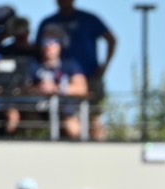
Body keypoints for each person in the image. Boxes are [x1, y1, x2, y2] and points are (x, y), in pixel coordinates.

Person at [36, 0, 114, 138]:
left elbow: (112, 40)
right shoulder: (48, 22)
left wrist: (104, 67)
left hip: (90, 77)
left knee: (94, 118)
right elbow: (36, 48)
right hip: (57, 78)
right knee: (66, 121)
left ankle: (100, 149)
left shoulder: (89, 19)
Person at [27, 32, 87, 140]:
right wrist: (39, 89)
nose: (49, 46)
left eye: (53, 43)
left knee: (72, 127)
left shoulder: (70, 65)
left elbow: (82, 89)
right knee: (26, 122)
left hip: (65, 108)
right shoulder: (33, 65)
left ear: (60, 46)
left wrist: (56, 89)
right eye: (45, 43)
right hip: (39, 108)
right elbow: (23, 87)